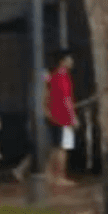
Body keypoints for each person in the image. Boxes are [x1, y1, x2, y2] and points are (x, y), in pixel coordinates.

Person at [45, 51, 77, 187]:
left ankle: (49, 175)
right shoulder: (62, 76)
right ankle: (59, 177)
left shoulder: (53, 76)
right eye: (70, 59)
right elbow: (66, 99)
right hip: (63, 117)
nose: (72, 61)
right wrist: (73, 117)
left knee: (55, 147)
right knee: (63, 148)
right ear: (62, 61)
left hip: (54, 116)